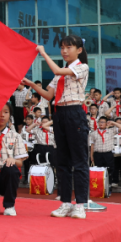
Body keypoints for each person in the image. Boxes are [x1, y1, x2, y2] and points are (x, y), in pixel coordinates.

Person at [20, 35, 90, 219]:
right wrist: (31, 85)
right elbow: (49, 95)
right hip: (59, 114)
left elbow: (58, 69)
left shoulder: (82, 67)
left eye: (68, 47)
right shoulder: (59, 74)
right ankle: (66, 202)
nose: (64, 51)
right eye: (62, 48)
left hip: (75, 113)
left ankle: (81, 204)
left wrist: (42, 53)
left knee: (80, 161)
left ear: (79, 50)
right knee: (63, 161)